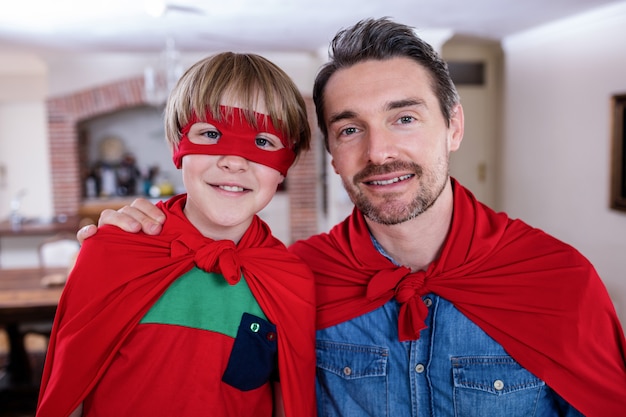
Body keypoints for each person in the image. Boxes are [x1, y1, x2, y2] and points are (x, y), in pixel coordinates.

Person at [78, 18, 626, 416]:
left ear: (453, 126)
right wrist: (141, 243)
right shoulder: (296, 277)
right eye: (348, 129)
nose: (378, 151)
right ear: (330, 155)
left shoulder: (558, 282)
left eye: (404, 117)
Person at [38, 52, 317, 417]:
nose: (234, 161)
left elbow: (288, 404)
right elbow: (67, 394)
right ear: (177, 147)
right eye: (211, 134)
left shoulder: (289, 282)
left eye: (263, 142)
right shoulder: (111, 251)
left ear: (286, 165)